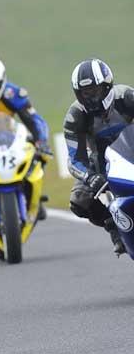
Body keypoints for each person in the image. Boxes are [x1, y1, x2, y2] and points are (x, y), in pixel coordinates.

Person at [65, 58, 134, 255]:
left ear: (107, 86)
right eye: (85, 93)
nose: (91, 98)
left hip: (132, 151)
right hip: (101, 162)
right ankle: (114, 226)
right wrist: (89, 176)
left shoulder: (127, 97)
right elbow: (75, 158)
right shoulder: (75, 116)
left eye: (94, 91)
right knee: (79, 201)